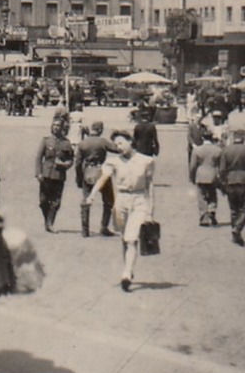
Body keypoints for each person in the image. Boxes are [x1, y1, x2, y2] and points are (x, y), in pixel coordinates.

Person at [84, 130, 155, 292]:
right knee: (124, 238)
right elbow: (103, 178)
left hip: (139, 201)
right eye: (116, 144)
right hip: (121, 201)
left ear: (131, 141)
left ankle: (127, 273)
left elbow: (150, 187)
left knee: (131, 239)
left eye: (121, 143)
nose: (118, 146)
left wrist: (150, 211)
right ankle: (128, 269)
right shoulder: (113, 162)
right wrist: (92, 195)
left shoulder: (146, 161)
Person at [34, 110, 76, 233]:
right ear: (52, 127)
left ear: (62, 127)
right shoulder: (46, 141)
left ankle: (50, 222)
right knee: (43, 201)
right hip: (46, 174)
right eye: (54, 125)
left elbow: (70, 159)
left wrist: (65, 165)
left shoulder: (66, 143)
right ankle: (47, 219)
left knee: (56, 201)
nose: (56, 128)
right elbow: (38, 158)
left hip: (59, 175)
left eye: (59, 126)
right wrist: (39, 173)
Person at [75, 120, 114, 237]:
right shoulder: (102, 142)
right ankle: (104, 226)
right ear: (100, 130)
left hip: (88, 172)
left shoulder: (83, 143)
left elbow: (77, 163)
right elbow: (116, 149)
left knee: (86, 200)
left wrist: (79, 177)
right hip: (101, 172)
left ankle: (85, 229)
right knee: (108, 200)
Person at [189, 129, 224, 227]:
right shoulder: (218, 150)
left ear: (202, 138)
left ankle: (204, 218)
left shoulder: (197, 150)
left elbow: (193, 166)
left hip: (201, 175)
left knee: (201, 196)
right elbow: (221, 166)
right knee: (212, 194)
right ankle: (212, 210)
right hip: (213, 174)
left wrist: (192, 176)